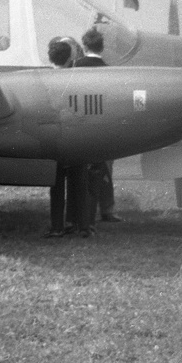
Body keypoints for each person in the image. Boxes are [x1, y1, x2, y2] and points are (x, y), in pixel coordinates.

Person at [74, 27, 121, 227]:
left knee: (81, 172)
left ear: (84, 46)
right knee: (105, 173)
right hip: (103, 129)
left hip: (80, 127)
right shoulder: (109, 70)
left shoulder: (75, 67)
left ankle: (82, 212)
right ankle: (107, 210)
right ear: (101, 48)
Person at [44, 36, 88, 237]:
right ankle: (79, 224)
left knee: (57, 187)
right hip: (77, 138)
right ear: (70, 57)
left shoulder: (43, 80)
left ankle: (56, 226)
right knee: (78, 184)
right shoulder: (76, 78)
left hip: (54, 139)